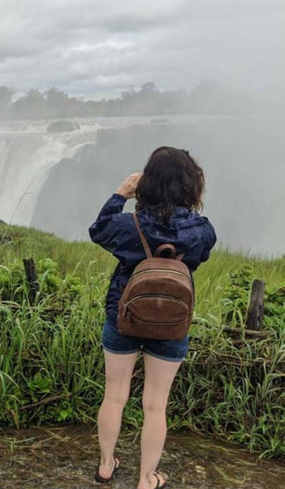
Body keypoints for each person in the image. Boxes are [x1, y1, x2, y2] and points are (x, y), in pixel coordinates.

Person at [88, 146, 217, 489]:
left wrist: (121, 193)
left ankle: (105, 465)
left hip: (123, 315)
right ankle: (147, 478)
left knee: (115, 394)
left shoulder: (129, 226)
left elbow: (98, 230)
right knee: (155, 405)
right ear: (191, 185)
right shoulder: (202, 231)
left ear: (147, 184)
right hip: (172, 323)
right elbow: (199, 256)